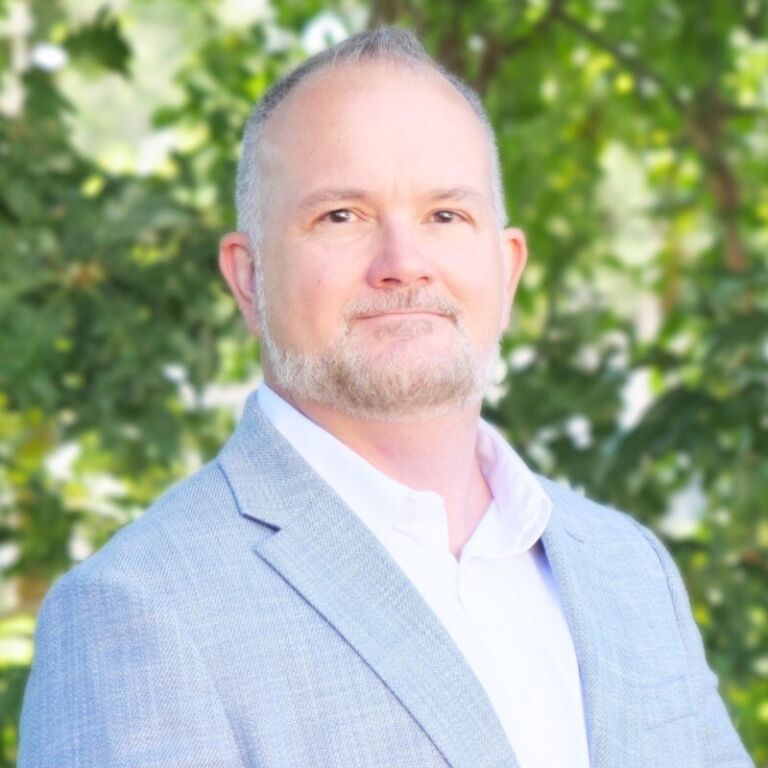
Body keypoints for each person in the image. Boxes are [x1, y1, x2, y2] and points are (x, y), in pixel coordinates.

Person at [19, 27, 752, 768]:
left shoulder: (628, 568)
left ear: (508, 268)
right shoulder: (138, 609)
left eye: (446, 216)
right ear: (249, 278)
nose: (404, 264)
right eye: (342, 216)